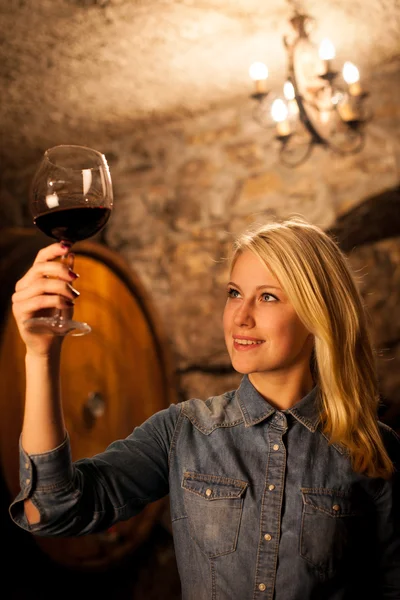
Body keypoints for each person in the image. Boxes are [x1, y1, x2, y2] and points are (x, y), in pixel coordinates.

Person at [9, 216, 400, 600]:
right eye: (234, 293)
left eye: (267, 297)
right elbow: (51, 511)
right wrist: (40, 355)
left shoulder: (374, 450)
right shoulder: (182, 431)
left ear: (317, 315)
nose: (240, 317)